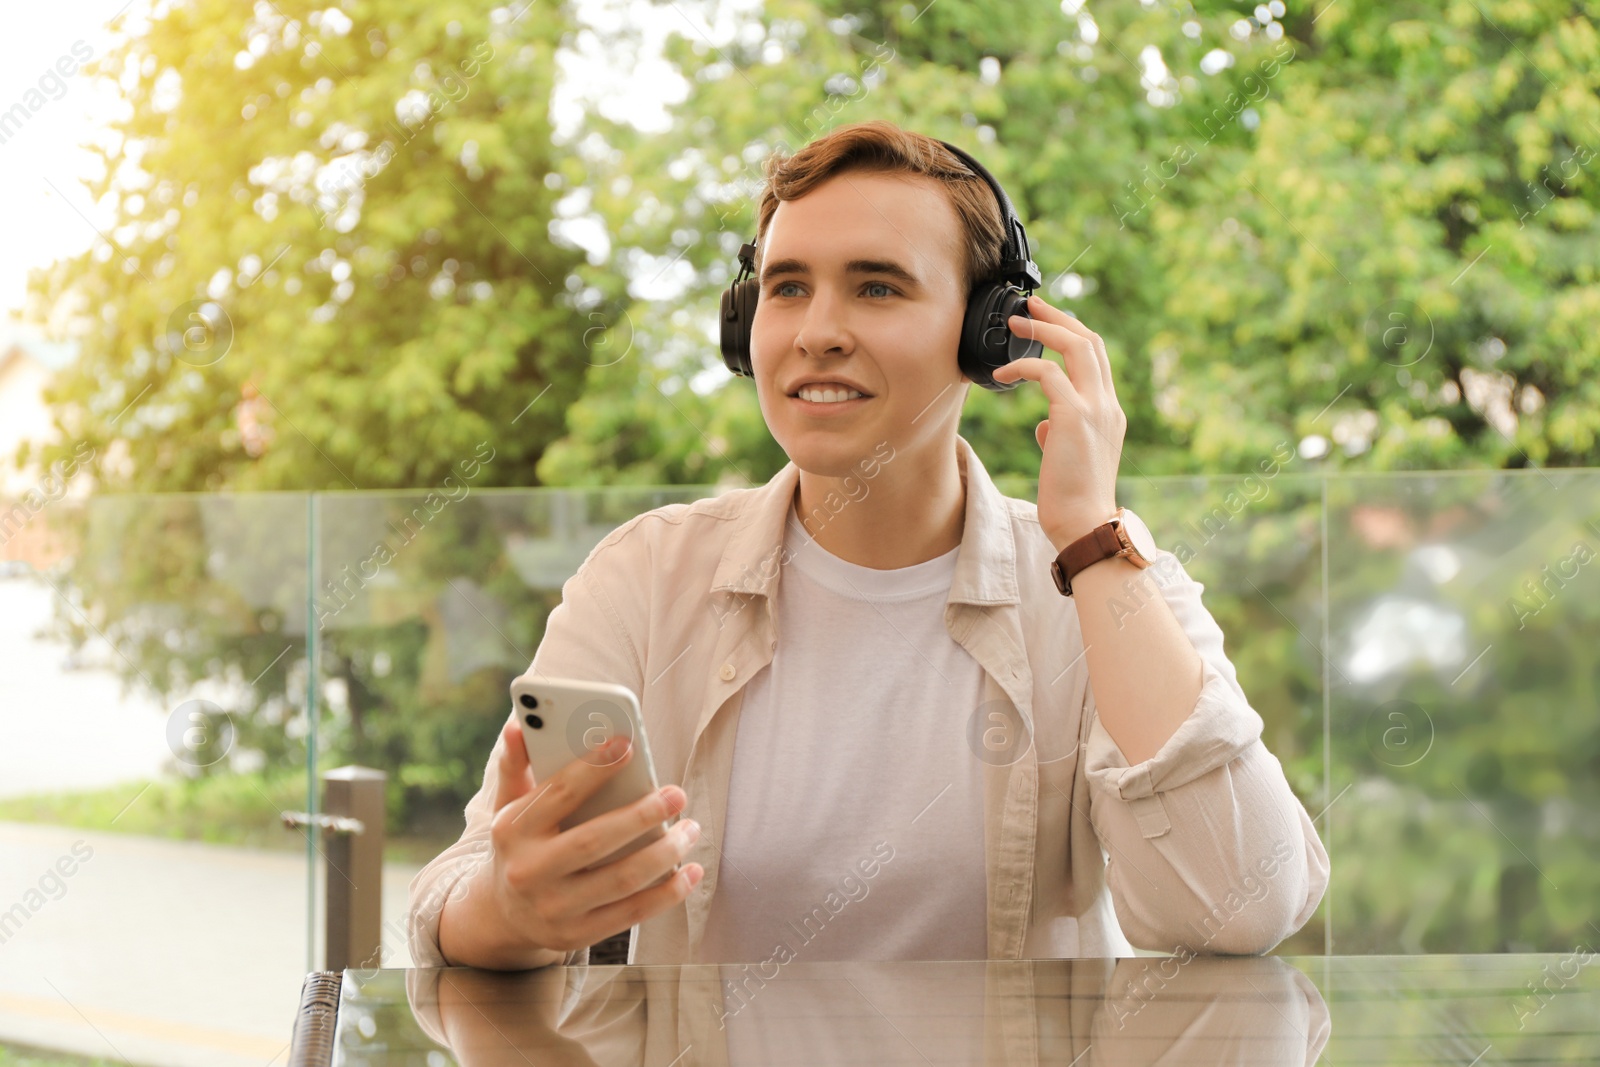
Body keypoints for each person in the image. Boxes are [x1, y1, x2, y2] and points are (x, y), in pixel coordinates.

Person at [408, 119, 1329, 972]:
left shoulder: (1095, 580)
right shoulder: (647, 576)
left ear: (988, 331)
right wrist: (512, 910)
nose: (817, 334)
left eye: (877, 286)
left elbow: (1236, 908)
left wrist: (1091, 534)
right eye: (787, 288)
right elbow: (455, 894)